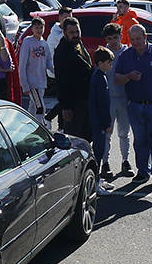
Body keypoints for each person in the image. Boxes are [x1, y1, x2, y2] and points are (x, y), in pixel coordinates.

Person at [114, 23, 152, 186]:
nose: (135, 42)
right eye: (133, 39)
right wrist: (128, 76)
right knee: (140, 141)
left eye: (138, 39)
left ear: (145, 37)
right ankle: (143, 172)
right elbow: (117, 79)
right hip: (134, 105)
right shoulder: (126, 55)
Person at [53, 16, 94, 140]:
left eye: (77, 31)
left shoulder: (77, 44)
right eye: (72, 32)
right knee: (75, 140)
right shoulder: (63, 51)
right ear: (65, 32)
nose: (75, 35)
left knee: (87, 137)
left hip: (85, 100)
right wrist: (66, 107)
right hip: (73, 104)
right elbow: (61, 82)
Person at [102, 22, 131, 176]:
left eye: (115, 37)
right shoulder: (103, 54)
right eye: (109, 38)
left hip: (124, 98)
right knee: (107, 132)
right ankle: (105, 163)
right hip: (109, 99)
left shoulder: (127, 51)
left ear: (120, 36)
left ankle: (125, 161)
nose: (113, 41)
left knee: (124, 133)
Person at [18, 16, 50, 121]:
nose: (39, 30)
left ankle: (27, 126)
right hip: (32, 83)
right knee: (40, 107)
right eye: (36, 27)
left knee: (33, 107)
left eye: (41, 27)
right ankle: (40, 130)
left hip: (41, 82)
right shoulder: (28, 42)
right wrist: (24, 84)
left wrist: (56, 71)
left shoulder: (44, 43)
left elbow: (48, 61)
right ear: (32, 29)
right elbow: (22, 64)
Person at [89, 47, 114, 176]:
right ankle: (96, 180)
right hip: (99, 122)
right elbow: (103, 103)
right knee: (99, 151)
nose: (111, 65)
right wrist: (107, 123)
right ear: (100, 63)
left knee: (99, 149)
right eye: (109, 62)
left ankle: (97, 179)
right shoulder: (100, 78)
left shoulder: (98, 76)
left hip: (96, 120)